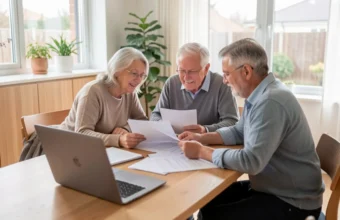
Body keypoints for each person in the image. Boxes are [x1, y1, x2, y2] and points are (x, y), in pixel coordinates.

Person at [178, 38, 324, 220]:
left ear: (246, 71)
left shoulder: (270, 102)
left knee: (213, 214)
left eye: (226, 74)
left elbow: (251, 162)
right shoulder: (261, 94)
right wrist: (202, 137)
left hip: (293, 203)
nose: (224, 81)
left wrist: (202, 152)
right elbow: (240, 131)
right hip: (276, 188)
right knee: (207, 202)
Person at [59, 47, 148, 149]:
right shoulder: (92, 92)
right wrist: (118, 140)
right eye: (134, 73)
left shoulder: (130, 92)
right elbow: (82, 133)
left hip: (100, 150)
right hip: (65, 147)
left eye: (142, 75)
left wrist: (126, 129)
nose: (138, 80)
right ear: (117, 70)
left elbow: (142, 122)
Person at [150, 42, 238, 133]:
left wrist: (205, 130)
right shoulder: (171, 83)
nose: (186, 77)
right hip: (176, 142)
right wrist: (164, 126)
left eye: (192, 71)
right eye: (182, 70)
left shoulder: (221, 84)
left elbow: (232, 122)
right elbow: (156, 115)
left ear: (206, 68)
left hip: (209, 144)